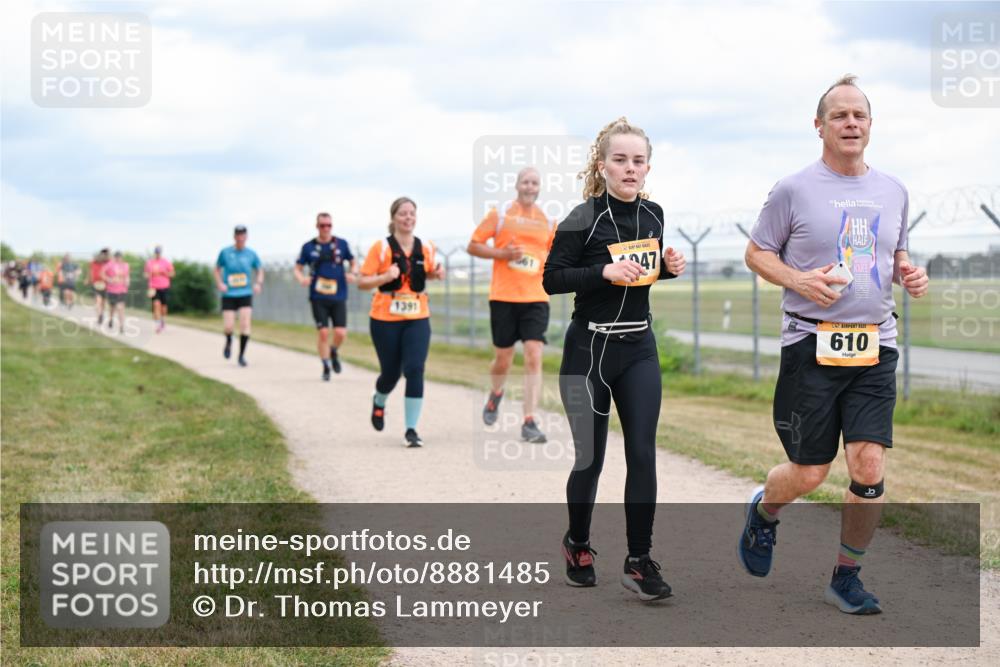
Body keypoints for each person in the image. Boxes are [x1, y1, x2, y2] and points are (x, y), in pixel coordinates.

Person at [739, 75, 929, 615]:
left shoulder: (894, 190)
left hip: (875, 346)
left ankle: (847, 577)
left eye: (859, 115)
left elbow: (895, 254)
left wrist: (909, 272)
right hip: (811, 344)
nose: (850, 123)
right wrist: (798, 280)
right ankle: (764, 512)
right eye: (839, 115)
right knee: (809, 473)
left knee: (868, 467)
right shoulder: (793, 189)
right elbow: (757, 253)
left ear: (870, 125)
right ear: (819, 126)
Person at [543, 118, 686, 601]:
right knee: (591, 458)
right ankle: (578, 545)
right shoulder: (581, 218)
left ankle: (639, 561)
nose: (630, 168)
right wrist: (602, 270)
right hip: (589, 350)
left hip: (639, 348)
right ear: (602, 166)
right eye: (620, 160)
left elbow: (640, 275)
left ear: (648, 168)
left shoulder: (654, 215)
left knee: (642, 452)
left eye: (638, 161)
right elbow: (552, 279)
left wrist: (666, 269)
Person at [468, 167, 556, 443]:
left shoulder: (548, 220)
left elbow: (556, 254)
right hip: (504, 296)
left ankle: (529, 420)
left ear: (539, 188)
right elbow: (474, 245)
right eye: (526, 182)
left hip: (536, 297)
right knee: (503, 359)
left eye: (535, 183)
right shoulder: (501, 215)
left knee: (534, 354)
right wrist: (502, 253)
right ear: (517, 185)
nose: (530, 187)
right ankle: (496, 393)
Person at [358, 197, 445, 447]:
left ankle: (411, 430)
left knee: (415, 369)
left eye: (411, 213)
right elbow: (362, 282)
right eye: (403, 213)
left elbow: (427, 272)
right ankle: (379, 400)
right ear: (393, 218)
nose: (408, 218)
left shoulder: (426, 247)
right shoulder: (381, 248)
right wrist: (385, 276)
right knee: (391, 374)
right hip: (385, 318)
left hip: (417, 316)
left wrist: (436, 274)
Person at [294, 213, 357, 381]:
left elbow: (353, 262)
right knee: (323, 332)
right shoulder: (308, 247)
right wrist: (302, 279)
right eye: (322, 225)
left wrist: (353, 273)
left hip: (339, 295)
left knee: (340, 332)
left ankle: (333, 350)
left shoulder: (341, 244)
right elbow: (297, 268)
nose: (326, 228)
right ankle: (326, 366)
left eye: (329, 225)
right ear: (317, 226)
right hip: (318, 297)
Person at [215, 225, 263, 366]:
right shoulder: (225, 252)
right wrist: (220, 283)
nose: (240, 237)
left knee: (245, 324)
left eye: (243, 235)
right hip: (229, 293)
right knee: (229, 326)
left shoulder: (251, 254)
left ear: (246, 237)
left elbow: (260, 270)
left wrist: (258, 283)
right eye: (238, 235)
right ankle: (229, 340)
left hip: (245, 293)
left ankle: (241, 355)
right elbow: (217, 269)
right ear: (234, 236)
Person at [144, 246, 175, 333]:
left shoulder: (166, 262)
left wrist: (165, 273)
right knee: (156, 304)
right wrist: (150, 274)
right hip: (153, 287)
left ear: (161, 253)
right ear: (154, 253)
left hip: (164, 286)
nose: (157, 254)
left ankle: (162, 320)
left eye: (159, 253)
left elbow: (172, 274)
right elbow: (145, 274)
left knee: (163, 307)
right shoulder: (149, 262)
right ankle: (158, 325)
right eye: (156, 253)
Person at [102, 251, 131, 333]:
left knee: (120, 307)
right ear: (114, 257)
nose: (118, 258)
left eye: (120, 257)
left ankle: (121, 326)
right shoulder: (109, 265)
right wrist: (109, 279)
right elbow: (102, 274)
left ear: (122, 257)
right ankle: (111, 319)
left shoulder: (125, 265)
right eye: (117, 257)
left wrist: (128, 281)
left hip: (122, 290)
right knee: (112, 307)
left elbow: (127, 275)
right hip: (111, 290)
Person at [89, 249, 111, 325]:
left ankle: (101, 314)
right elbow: (91, 272)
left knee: (103, 302)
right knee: (98, 301)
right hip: (96, 284)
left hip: (105, 285)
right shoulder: (93, 263)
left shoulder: (107, 263)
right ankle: (99, 316)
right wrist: (90, 280)